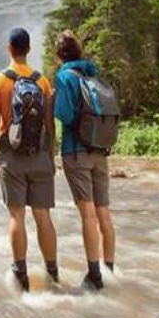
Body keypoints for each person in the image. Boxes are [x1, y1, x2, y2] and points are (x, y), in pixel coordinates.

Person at [0, 27, 58, 292]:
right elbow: (49, 124)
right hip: (39, 155)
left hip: (11, 156)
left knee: (16, 216)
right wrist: (50, 156)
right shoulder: (42, 82)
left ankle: (21, 276)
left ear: (9, 48)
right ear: (28, 49)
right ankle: (53, 274)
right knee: (43, 216)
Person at [53, 30, 115, 291]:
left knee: (87, 213)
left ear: (59, 56)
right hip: (100, 150)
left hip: (76, 151)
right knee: (103, 212)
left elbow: (65, 114)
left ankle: (94, 275)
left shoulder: (65, 77)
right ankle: (110, 270)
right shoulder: (93, 75)